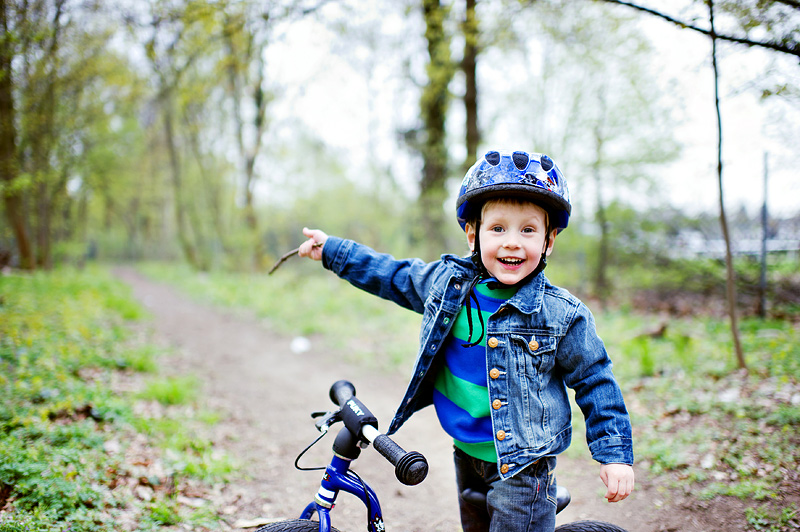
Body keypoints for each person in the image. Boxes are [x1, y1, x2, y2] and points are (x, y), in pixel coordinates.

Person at [298, 150, 634, 532]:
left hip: (522, 467)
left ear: (549, 240)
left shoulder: (561, 314)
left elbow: (595, 379)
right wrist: (333, 251)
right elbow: (393, 275)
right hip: (465, 453)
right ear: (473, 235)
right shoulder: (447, 286)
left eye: (528, 230)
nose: (512, 242)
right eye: (498, 229)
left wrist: (614, 454)